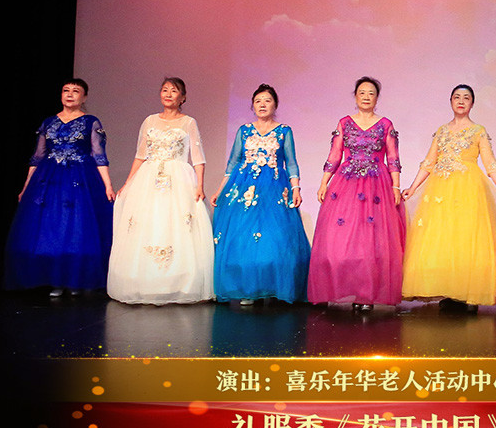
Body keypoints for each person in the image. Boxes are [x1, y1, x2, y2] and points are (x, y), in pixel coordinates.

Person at [401, 85, 496, 310]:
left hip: (468, 188)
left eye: (466, 98)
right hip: (440, 189)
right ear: (451, 101)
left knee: (465, 237)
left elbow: (489, 162)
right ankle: (449, 291)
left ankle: (468, 293)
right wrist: (413, 187)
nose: (461, 101)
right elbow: (429, 162)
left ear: (472, 103)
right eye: (457, 97)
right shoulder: (442, 131)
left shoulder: (478, 131)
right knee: (443, 237)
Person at [107, 77, 215, 304]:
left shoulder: (188, 122)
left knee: (175, 224)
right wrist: (127, 183)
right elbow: (140, 155)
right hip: (149, 178)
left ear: (183, 97)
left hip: (178, 179)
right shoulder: (149, 121)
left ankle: (177, 283)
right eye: (164, 90)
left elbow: (198, 158)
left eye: (174, 91)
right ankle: (143, 281)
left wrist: (200, 185)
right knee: (148, 223)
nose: (168, 94)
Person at [4, 78, 115, 295]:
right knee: (50, 228)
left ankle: (74, 280)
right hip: (49, 178)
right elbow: (38, 156)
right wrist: (26, 186)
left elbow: (99, 155)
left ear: (84, 97)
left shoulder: (90, 122)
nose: (70, 94)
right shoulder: (49, 122)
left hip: (80, 178)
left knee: (76, 227)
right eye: (66, 90)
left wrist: (108, 185)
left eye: (76, 91)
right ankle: (55, 279)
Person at [307, 77, 405, 311]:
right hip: (346, 183)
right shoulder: (344, 123)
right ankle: (341, 288)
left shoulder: (385, 124)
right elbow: (335, 154)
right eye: (362, 92)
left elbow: (393, 158)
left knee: (372, 241)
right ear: (355, 96)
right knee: (342, 239)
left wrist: (396, 187)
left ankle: (366, 295)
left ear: (377, 98)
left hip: (377, 185)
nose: (366, 97)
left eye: (371, 93)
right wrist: (323, 183)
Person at [210, 84, 311, 304]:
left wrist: (296, 188)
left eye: (267, 100)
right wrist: (220, 190)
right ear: (252, 106)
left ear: (275, 105)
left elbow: (291, 163)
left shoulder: (284, 131)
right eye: (258, 101)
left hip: (275, 189)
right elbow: (233, 163)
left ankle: (272, 287)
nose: (262, 105)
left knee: (274, 238)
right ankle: (248, 289)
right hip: (245, 188)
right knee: (243, 237)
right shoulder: (244, 130)